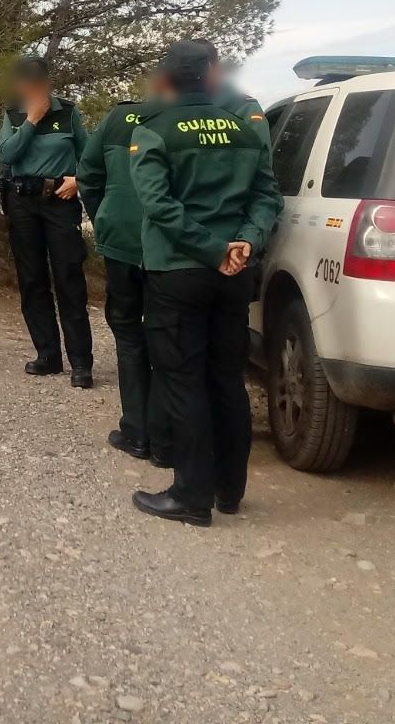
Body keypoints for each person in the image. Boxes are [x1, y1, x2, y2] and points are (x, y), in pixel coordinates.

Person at [128, 40, 283, 527]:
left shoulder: (154, 132)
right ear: (211, 75)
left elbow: (159, 205)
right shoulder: (242, 131)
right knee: (227, 379)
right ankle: (228, 490)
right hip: (235, 274)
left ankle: (190, 496)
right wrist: (244, 243)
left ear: (168, 80)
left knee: (182, 381)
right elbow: (267, 197)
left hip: (180, 273)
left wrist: (211, 250)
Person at [78, 95, 167, 462]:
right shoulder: (183, 116)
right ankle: (167, 437)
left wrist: (105, 218)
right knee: (169, 338)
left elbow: (88, 175)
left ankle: (137, 432)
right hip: (170, 247)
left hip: (122, 241)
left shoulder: (118, 118)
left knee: (129, 332)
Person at [0, 55, 93, 387]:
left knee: (69, 276)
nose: (32, 89)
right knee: (32, 279)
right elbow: (7, 156)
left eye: (37, 83)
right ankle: (48, 355)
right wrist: (31, 122)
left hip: (59, 201)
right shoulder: (13, 115)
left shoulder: (68, 112)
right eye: (26, 83)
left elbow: (90, 156)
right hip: (23, 202)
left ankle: (81, 362)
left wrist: (78, 179)